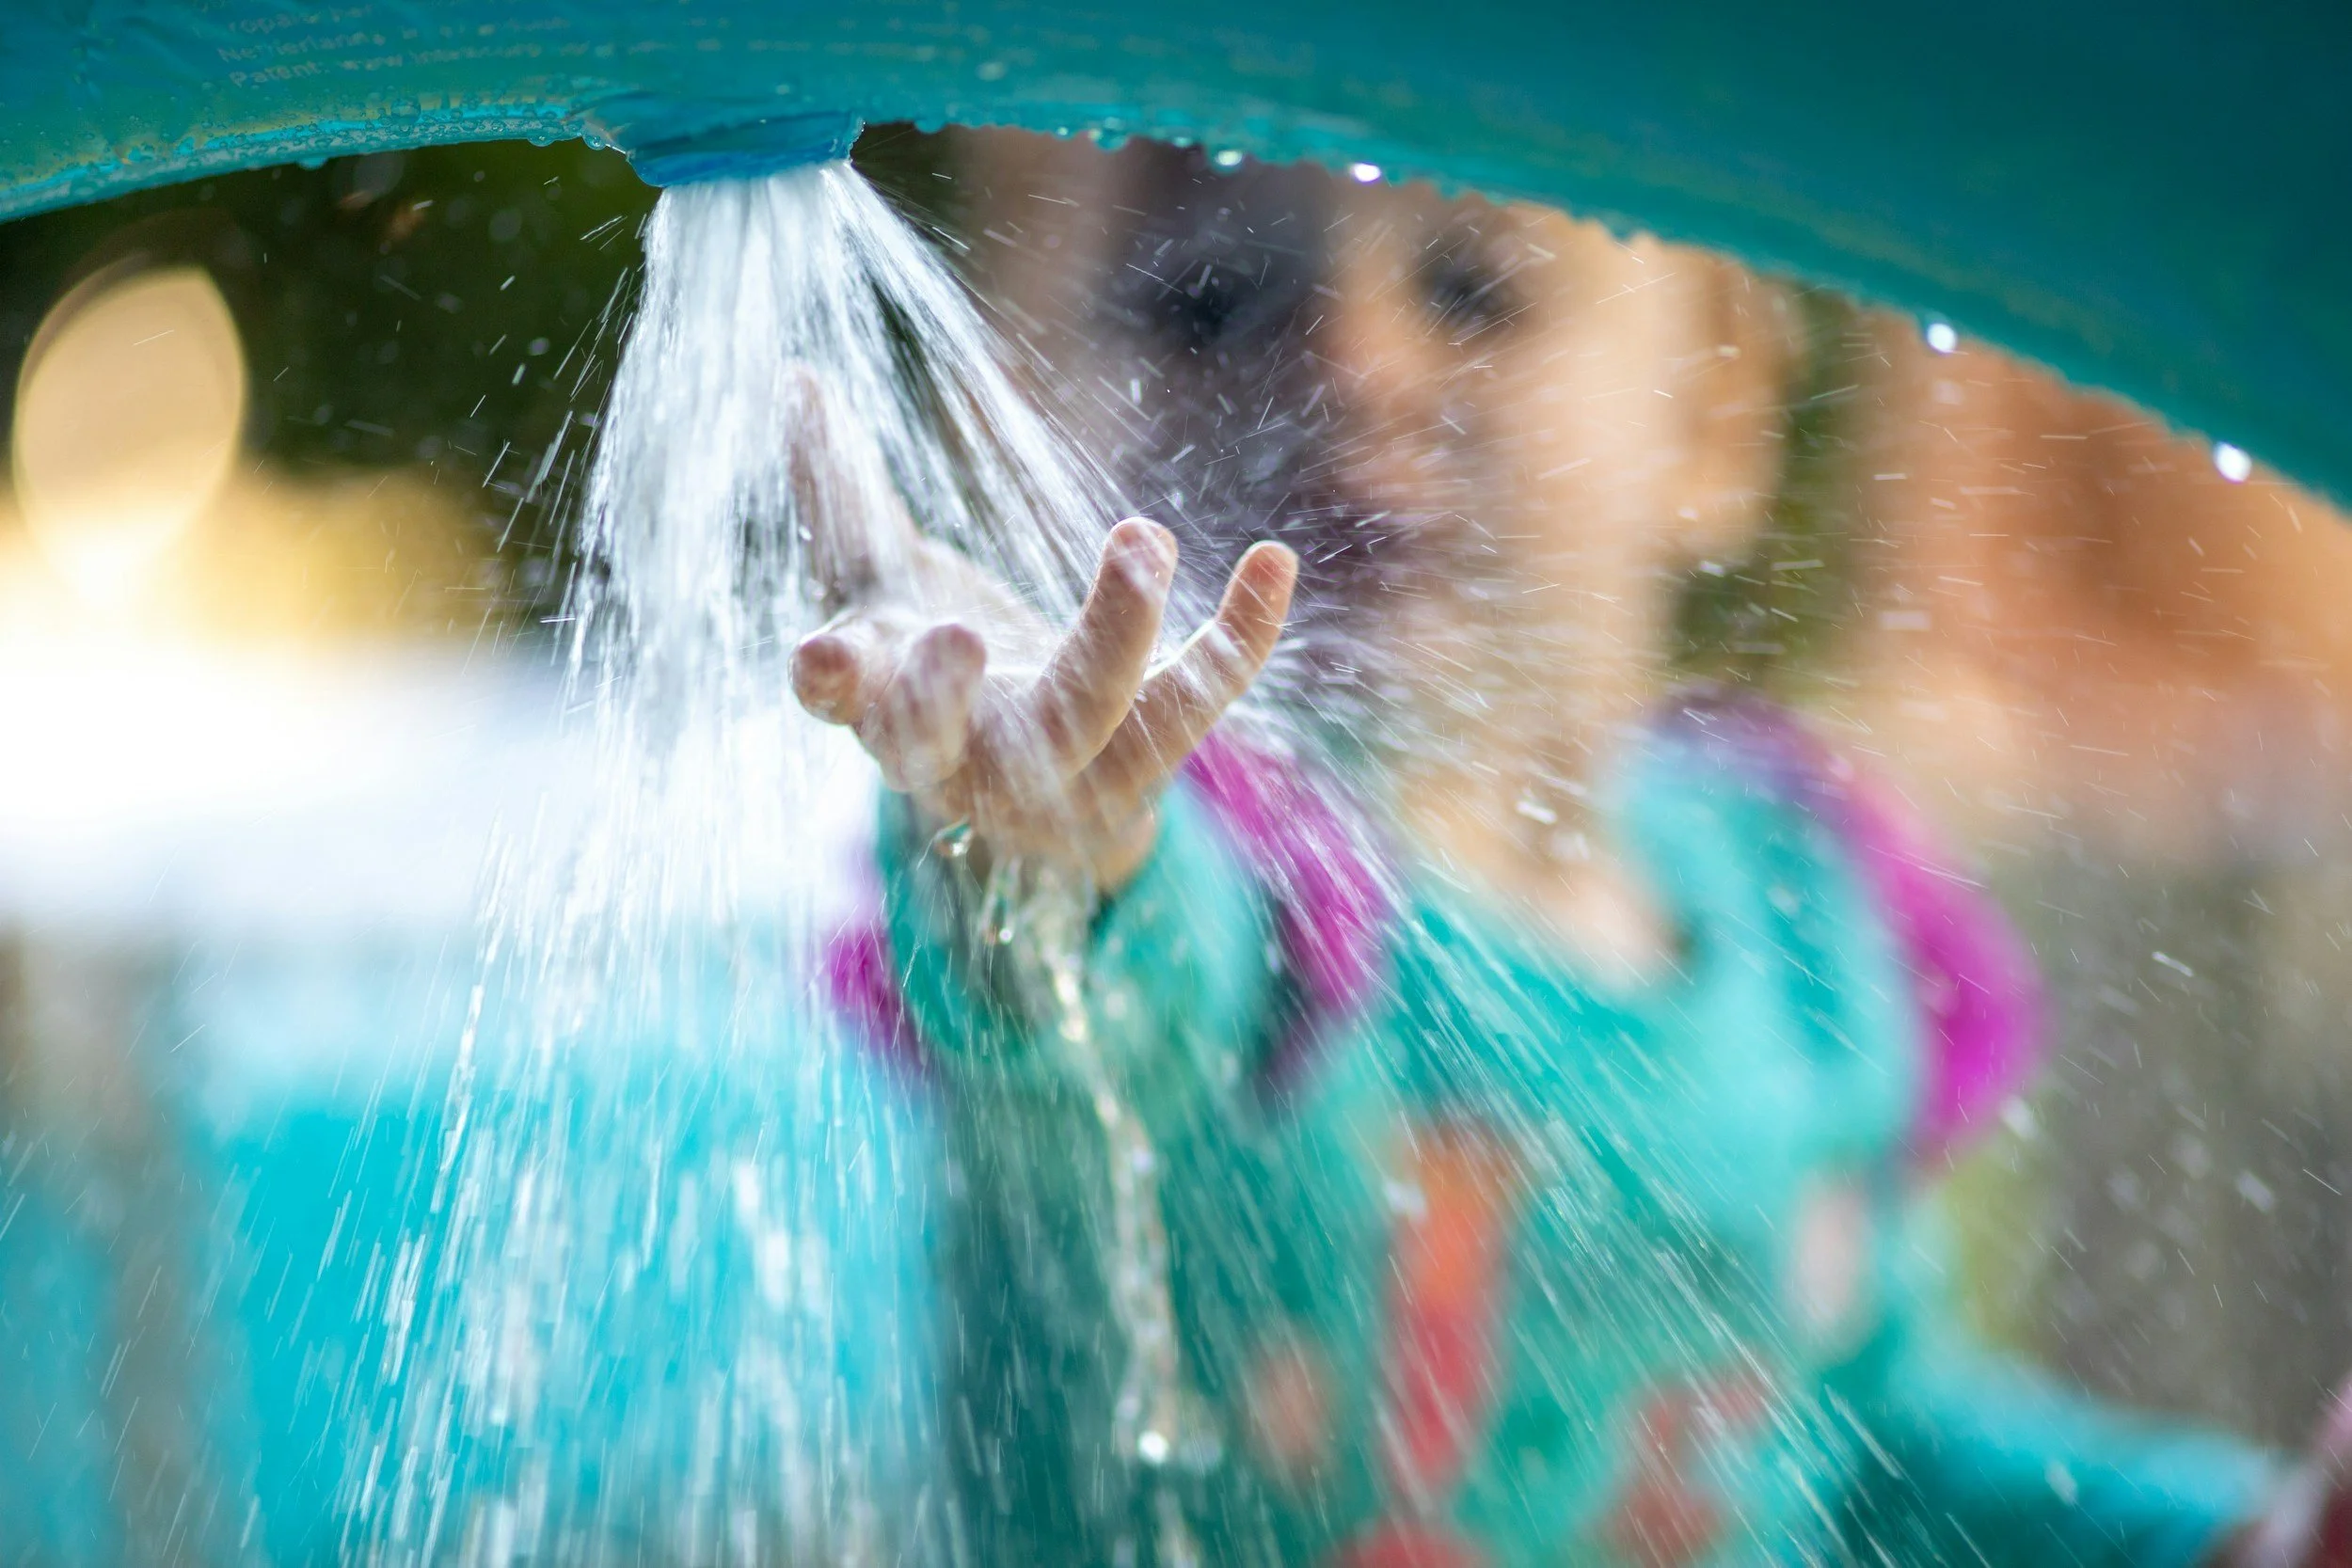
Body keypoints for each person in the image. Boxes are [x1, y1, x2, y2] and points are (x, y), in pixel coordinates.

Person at [793, 143, 2352, 1567]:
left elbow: (1878, 1458)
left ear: (1714, 410)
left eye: (1475, 288)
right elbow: (1073, 1001)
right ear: (1026, 417)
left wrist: (2238, 1535)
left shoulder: (1795, 907)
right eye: (1203, 305)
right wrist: (1030, 856)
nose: (1351, 360)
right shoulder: (1210, 855)